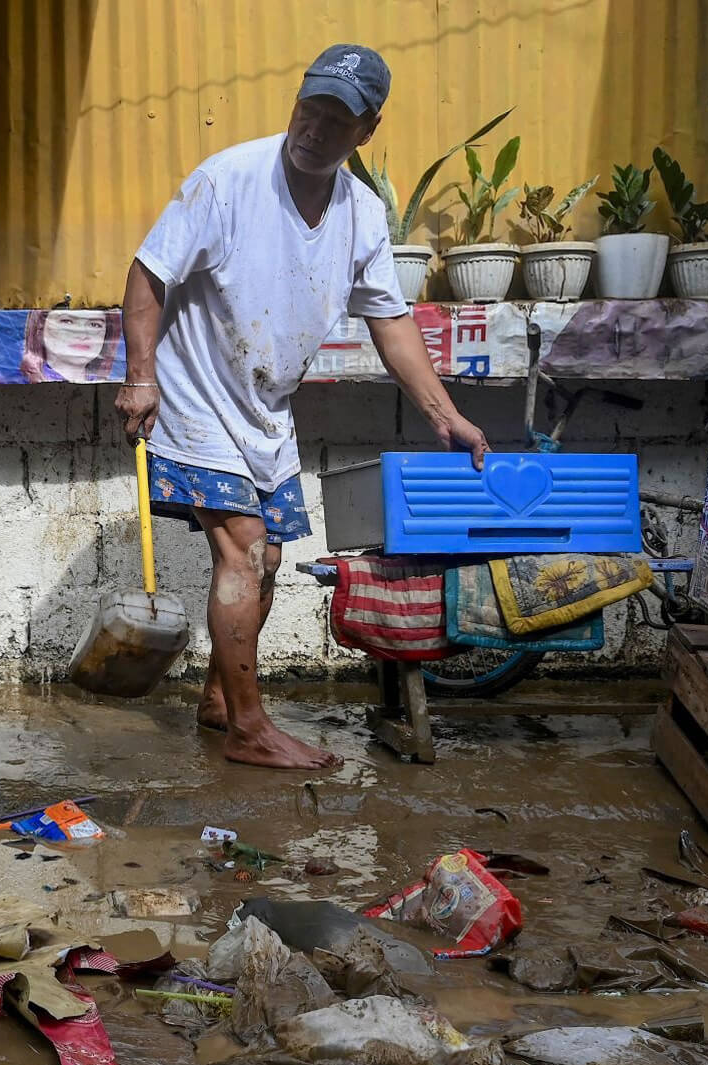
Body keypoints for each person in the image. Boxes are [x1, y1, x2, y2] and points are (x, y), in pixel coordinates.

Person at [115, 44, 490, 770]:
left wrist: (444, 413)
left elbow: (390, 319)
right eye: (308, 108)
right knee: (245, 549)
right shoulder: (228, 179)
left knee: (272, 558)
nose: (314, 128)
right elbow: (148, 272)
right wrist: (140, 377)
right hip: (195, 393)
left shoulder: (362, 212)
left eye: (336, 118)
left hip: (265, 407)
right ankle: (251, 731)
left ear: (366, 131)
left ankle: (221, 702)